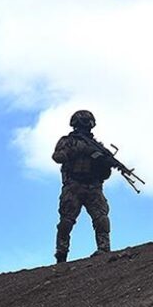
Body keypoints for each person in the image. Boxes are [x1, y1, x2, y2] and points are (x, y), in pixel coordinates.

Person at [52, 110, 114, 263]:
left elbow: (105, 174)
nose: (85, 127)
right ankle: (61, 253)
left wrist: (104, 163)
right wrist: (80, 150)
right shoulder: (68, 141)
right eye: (82, 124)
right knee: (66, 221)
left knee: (101, 219)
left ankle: (104, 248)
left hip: (93, 187)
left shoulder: (98, 147)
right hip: (73, 186)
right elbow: (58, 157)